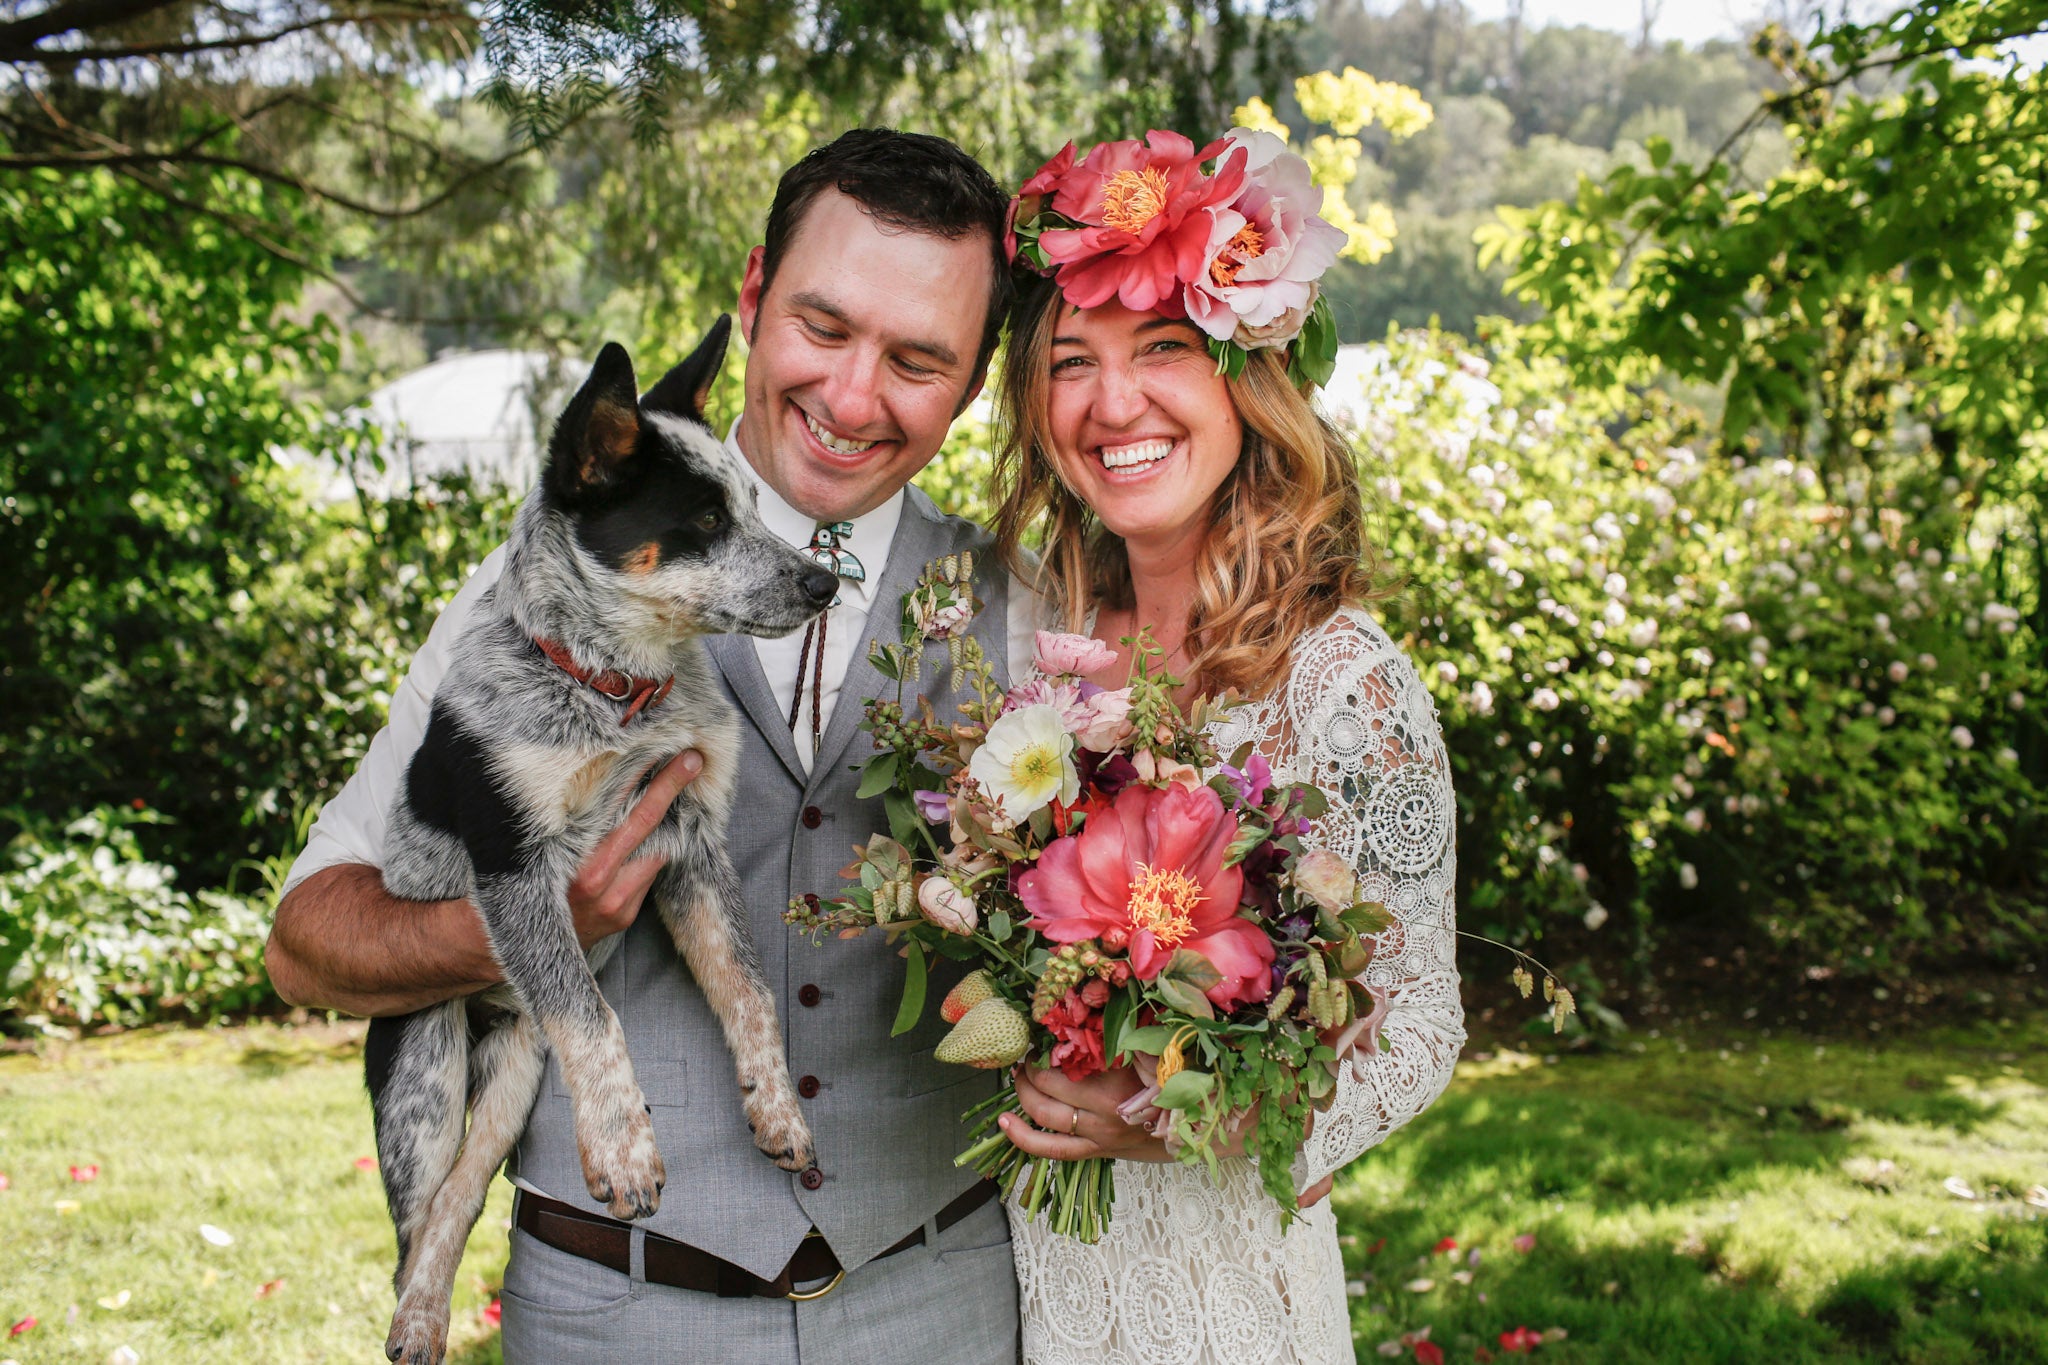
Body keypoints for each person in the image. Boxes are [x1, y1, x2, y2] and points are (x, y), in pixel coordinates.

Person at [266, 128, 1038, 1362]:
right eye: (823, 328)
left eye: (916, 360)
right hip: (612, 1314)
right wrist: (510, 930)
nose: (850, 397)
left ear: (973, 378)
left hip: (943, 1301)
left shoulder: (1038, 610)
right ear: (750, 295)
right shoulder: (535, 589)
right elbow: (308, 938)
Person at [984, 128, 1466, 1364]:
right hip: (1032, 1272)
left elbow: (1418, 1032)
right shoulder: (1040, 646)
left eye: (1158, 350)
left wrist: (1175, 1124)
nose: (1112, 405)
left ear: (1246, 383)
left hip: (1222, 1289)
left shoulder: (1342, 679)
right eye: (1071, 362)